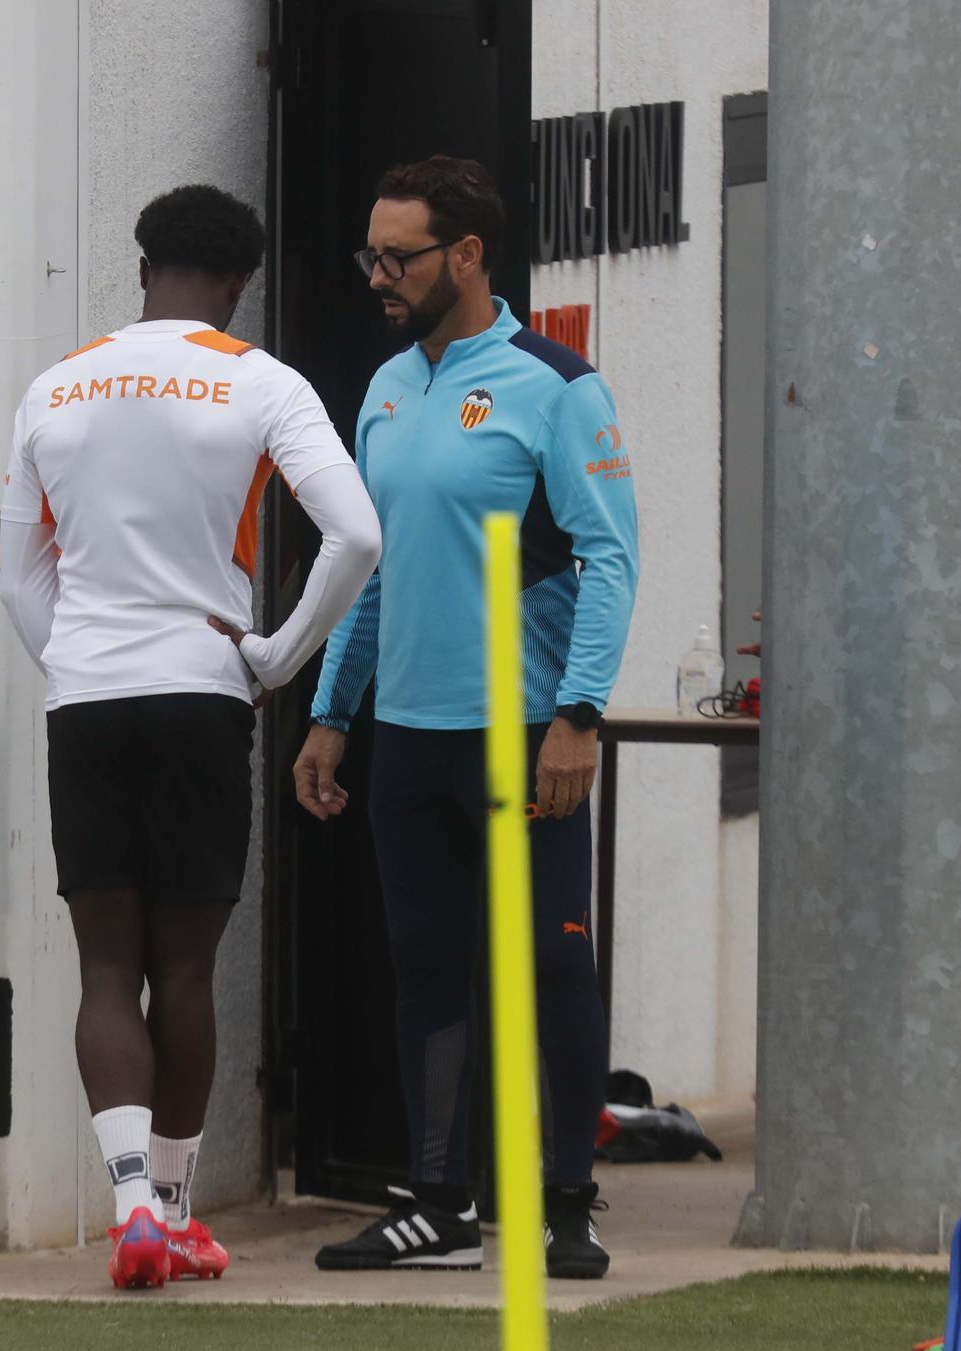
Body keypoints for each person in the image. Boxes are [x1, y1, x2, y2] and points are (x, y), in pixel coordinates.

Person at [0, 185, 381, 1289]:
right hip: (202, 684)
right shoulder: (259, 380)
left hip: (87, 691)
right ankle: (170, 1206)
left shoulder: (55, 384)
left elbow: (22, 570)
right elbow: (355, 532)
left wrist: (68, 656)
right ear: (239, 283)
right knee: (185, 964)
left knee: (106, 963)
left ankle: (127, 1206)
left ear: (139, 265)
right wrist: (274, 655)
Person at [298, 156, 639, 1281]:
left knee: (549, 965)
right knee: (427, 967)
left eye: (396, 256)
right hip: (410, 737)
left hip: (526, 730)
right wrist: (330, 712)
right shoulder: (387, 384)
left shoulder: (554, 383)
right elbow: (372, 566)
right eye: (369, 255)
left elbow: (609, 559)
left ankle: (566, 1209)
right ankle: (436, 1205)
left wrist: (577, 716)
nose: (378, 276)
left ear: (468, 254)